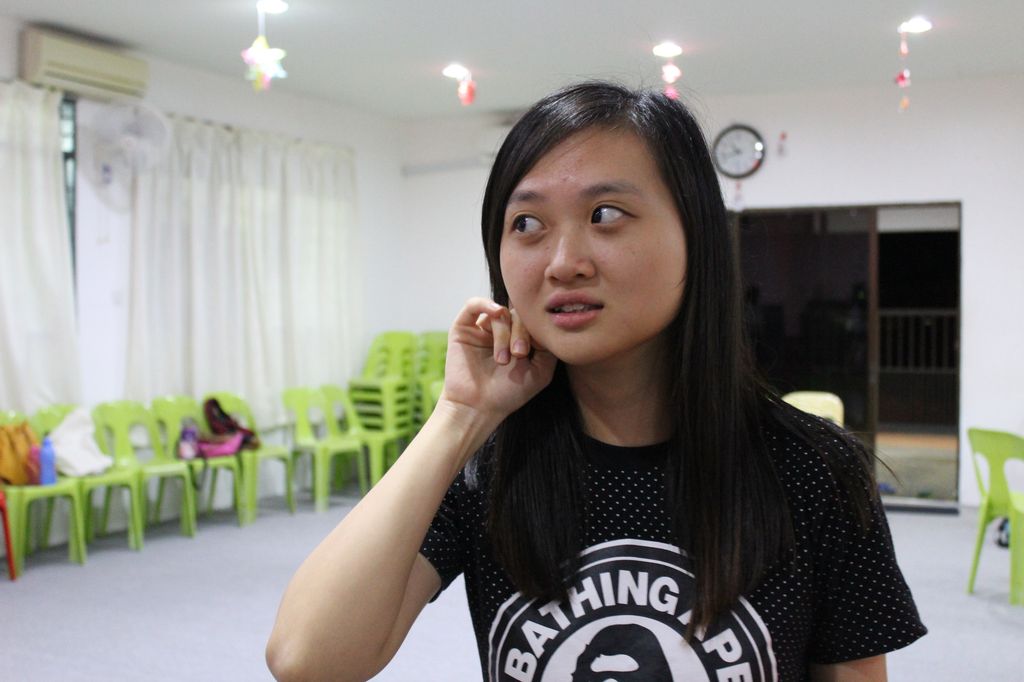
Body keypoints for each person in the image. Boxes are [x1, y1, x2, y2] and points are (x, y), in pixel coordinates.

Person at [266, 82, 926, 682]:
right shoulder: (488, 466)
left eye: (606, 214)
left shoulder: (814, 470)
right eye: (527, 224)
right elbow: (306, 659)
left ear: (695, 234)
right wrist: (460, 415)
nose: (562, 262)